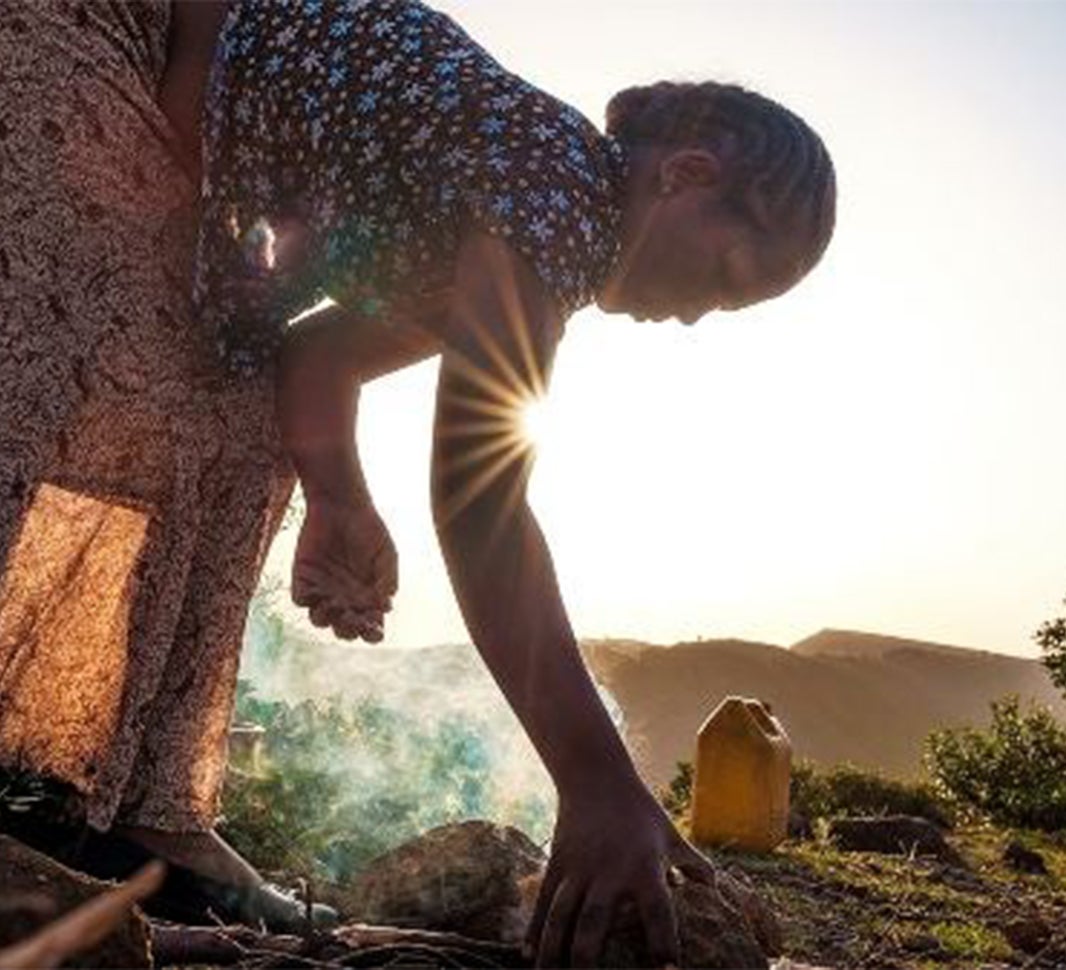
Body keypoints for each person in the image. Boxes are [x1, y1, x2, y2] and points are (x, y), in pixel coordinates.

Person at [188, 1, 836, 966]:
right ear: (686, 176)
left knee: (216, 410)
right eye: (727, 276)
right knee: (84, 387)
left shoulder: (510, 222)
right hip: (138, 37)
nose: (700, 316)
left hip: (181, 120)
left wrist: (339, 499)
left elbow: (321, 358)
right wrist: (597, 783)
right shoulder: (554, 190)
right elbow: (481, 498)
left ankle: (146, 802)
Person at [0, 0, 332, 930]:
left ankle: (135, 797)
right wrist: (254, 260)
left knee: (48, 388)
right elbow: (197, 100)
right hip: (52, 72)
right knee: (237, 393)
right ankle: (153, 803)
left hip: (74, 79)